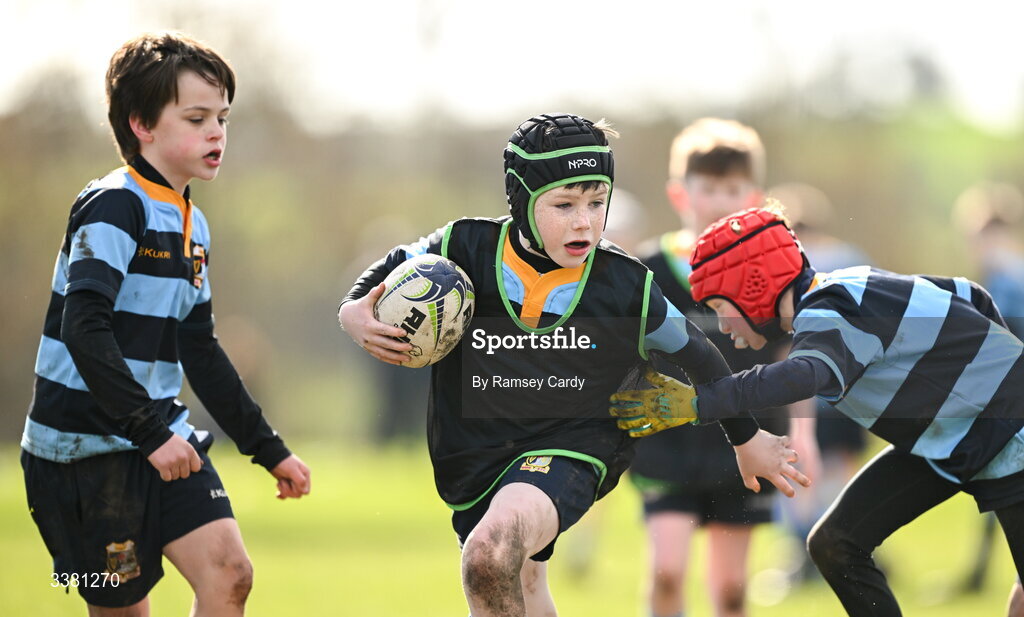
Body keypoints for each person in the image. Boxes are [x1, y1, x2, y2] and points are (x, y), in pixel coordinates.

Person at [337, 113, 809, 617]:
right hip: (475, 450)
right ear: (521, 202)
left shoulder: (626, 284)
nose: (584, 221)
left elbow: (698, 353)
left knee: (489, 554)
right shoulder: (463, 246)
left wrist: (746, 437)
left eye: (596, 203)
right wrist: (352, 310)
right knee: (521, 579)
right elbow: (388, 267)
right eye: (564, 205)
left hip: (576, 445)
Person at [612, 204, 1024, 617]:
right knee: (835, 542)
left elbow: (802, 375)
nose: (723, 328)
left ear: (753, 286)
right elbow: (971, 294)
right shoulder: (845, 288)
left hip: (1009, 435)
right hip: (952, 441)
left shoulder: (829, 310)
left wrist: (702, 402)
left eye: (721, 308)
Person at [21, 32, 311, 616]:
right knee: (126, 611)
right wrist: (150, 433)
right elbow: (85, 328)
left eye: (223, 119)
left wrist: (267, 448)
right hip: (81, 453)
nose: (216, 134)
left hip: (159, 438)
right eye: (197, 117)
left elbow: (198, 349)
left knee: (231, 574)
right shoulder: (113, 205)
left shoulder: (193, 225)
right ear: (141, 125)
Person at [627, 118, 819, 617]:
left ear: (755, 196)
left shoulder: (776, 273)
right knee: (667, 574)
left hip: (751, 438)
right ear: (680, 194)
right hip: (667, 439)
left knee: (732, 588)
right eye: (708, 188)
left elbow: (794, 357)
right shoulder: (645, 271)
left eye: (733, 188)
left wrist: (805, 432)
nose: (719, 199)